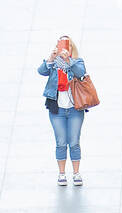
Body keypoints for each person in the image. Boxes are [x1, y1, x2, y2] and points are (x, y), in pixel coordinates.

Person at [38, 36, 87, 186]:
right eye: (61, 45)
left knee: (74, 142)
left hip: (74, 108)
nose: (64, 49)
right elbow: (41, 71)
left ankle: (76, 173)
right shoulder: (53, 64)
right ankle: (61, 173)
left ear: (72, 48)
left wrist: (68, 61)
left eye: (67, 45)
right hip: (57, 109)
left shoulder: (77, 62)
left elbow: (81, 72)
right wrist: (51, 58)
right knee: (60, 142)